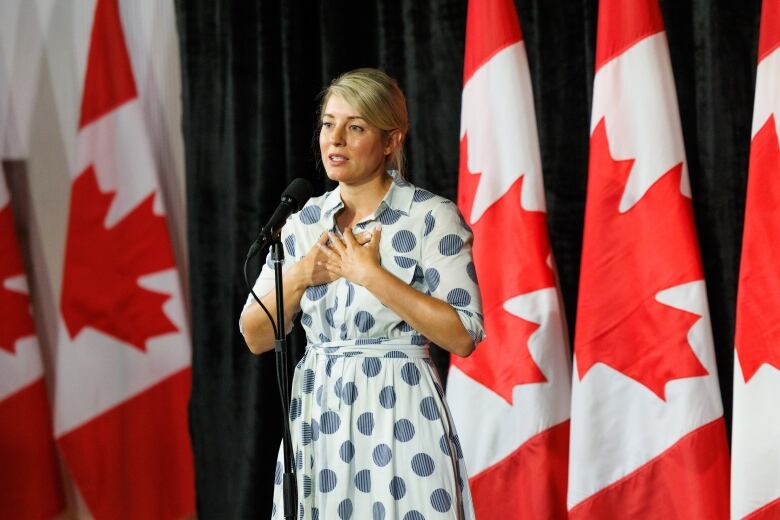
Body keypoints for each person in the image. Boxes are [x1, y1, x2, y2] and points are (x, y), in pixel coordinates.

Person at [240, 68, 484, 520]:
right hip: (320, 413)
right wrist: (298, 277)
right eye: (329, 124)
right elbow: (255, 335)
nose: (336, 140)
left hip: (402, 412)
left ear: (391, 141)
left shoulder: (430, 217)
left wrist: (372, 276)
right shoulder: (301, 222)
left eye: (356, 127)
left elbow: (463, 335)